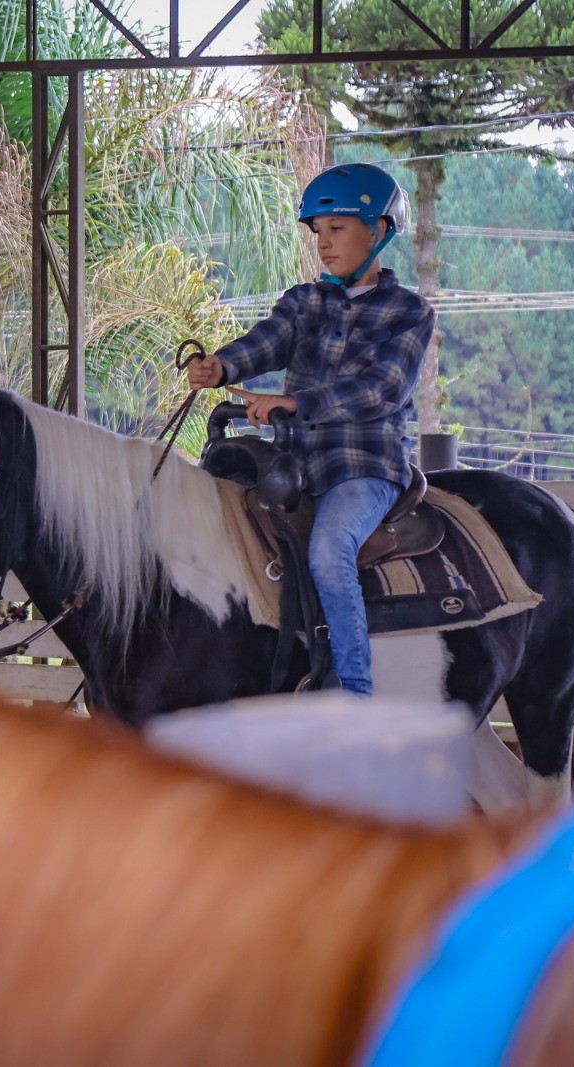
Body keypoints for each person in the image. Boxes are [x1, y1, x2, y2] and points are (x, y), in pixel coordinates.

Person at [187, 162, 434, 696]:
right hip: (295, 466)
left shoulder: (410, 312)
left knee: (328, 549)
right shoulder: (303, 302)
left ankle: (353, 690)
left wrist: (296, 402)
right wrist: (222, 366)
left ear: (379, 231)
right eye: (318, 230)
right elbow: (266, 342)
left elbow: (380, 391)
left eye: (337, 228)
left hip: (364, 468)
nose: (323, 243)